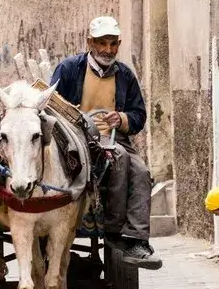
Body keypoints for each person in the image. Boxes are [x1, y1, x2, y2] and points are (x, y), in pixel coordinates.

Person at [50, 16, 162, 270]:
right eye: (102, 43)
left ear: (118, 44)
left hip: (114, 137)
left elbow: (139, 115)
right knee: (118, 156)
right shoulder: (69, 69)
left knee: (142, 172)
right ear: (90, 42)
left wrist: (121, 118)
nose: (108, 50)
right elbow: (51, 104)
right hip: (75, 138)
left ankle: (136, 238)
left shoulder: (125, 76)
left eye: (113, 44)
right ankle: (113, 227)